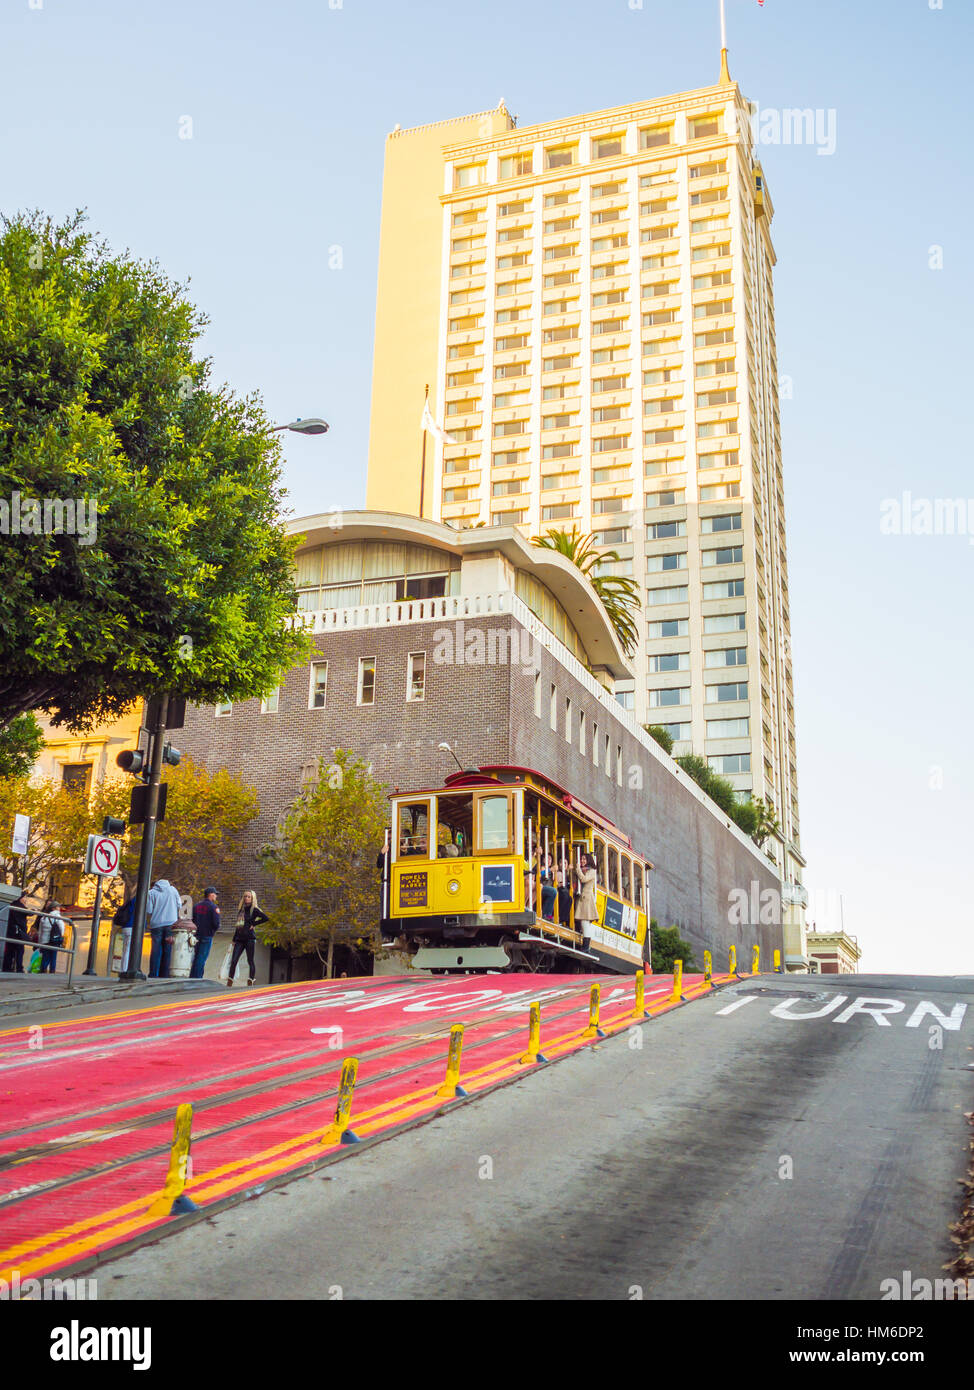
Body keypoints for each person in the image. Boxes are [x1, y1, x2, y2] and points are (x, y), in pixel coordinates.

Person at [227, 890, 268, 988]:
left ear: (252, 898)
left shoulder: (254, 910)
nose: (246, 898)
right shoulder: (241, 910)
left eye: (249, 896)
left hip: (250, 939)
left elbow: (266, 918)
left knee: (250, 960)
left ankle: (250, 980)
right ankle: (229, 982)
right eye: (245, 896)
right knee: (234, 960)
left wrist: (254, 924)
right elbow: (238, 926)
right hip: (239, 939)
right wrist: (234, 939)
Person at [145, 878, 180, 978]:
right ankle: (164, 975)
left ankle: (153, 974)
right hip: (170, 923)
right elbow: (179, 904)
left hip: (156, 924)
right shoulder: (173, 890)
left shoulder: (151, 892)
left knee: (155, 950)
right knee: (167, 950)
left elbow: (149, 910)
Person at [190, 888, 221, 979]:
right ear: (211, 895)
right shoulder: (214, 907)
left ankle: (194, 976)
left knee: (196, 956)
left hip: (196, 935)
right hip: (207, 936)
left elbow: (192, 920)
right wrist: (212, 932)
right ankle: (197, 978)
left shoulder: (196, 906)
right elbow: (216, 924)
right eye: (215, 894)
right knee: (202, 958)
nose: (216, 896)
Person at [2, 894, 33, 973]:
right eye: (25, 897)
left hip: (10, 932)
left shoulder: (12, 905)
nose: (26, 899)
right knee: (20, 951)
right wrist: (33, 910)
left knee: (10, 951)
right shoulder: (20, 906)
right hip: (18, 933)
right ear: (21, 898)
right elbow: (30, 913)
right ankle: (19, 968)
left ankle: (7, 967)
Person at [575, 852, 599, 952]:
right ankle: (585, 946)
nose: (582, 861)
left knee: (585, 921)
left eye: (584, 859)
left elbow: (584, 879)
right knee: (583, 922)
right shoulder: (585, 870)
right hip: (583, 898)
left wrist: (577, 869)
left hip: (587, 899)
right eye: (581, 859)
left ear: (588, 860)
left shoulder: (592, 871)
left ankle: (586, 947)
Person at [36, 899, 66, 974]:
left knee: (45, 957)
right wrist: (60, 936)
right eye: (57, 907)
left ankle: (42, 970)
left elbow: (40, 931)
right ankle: (52, 972)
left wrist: (40, 942)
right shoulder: (57, 916)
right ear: (53, 908)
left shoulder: (44, 917)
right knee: (53, 957)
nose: (59, 908)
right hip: (54, 940)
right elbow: (62, 927)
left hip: (45, 940)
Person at [538, 852, 557, 922]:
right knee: (553, 891)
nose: (549, 860)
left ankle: (553, 915)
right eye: (547, 858)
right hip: (541, 888)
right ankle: (545, 914)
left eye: (550, 859)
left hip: (548, 889)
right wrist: (550, 870)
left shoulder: (552, 870)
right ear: (543, 860)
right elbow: (540, 874)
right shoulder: (542, 867)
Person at [556, 856, 573, 927]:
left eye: (565, 863)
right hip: (559, 891)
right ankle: (560, 918)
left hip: (564, 892)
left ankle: (565, 920)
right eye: (561, 863)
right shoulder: (558, 872)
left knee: (570, 898)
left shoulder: (568, 875)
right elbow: (559, 884)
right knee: (565, 895)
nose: (563, 864)